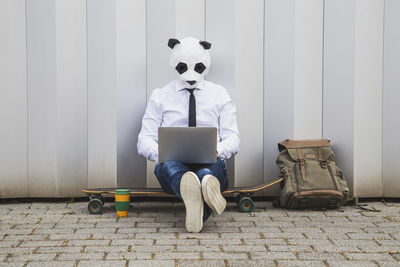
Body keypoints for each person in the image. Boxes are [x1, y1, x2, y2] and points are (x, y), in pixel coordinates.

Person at [137, 37, 240, 232]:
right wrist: (161, 153)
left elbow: (233, 138)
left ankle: (198, 198)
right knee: (170, 166)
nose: (191, 74)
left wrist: (218, 150)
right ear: (174, 63)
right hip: (172, 166)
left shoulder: (220, 94)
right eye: (183, 67)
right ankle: (204, 193)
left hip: (212, 161)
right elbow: (144, 140)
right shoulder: (160, 96)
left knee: (206, 172)